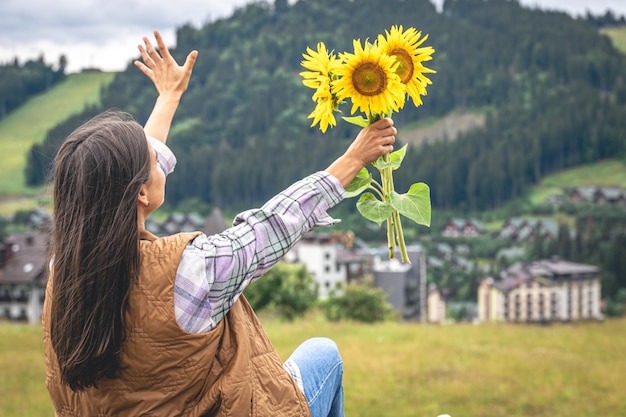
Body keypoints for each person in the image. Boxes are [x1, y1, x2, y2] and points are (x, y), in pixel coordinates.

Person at [42, 31, 397, 417]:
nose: (161, 159)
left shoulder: (64, 273)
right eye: (151, 158)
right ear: (141, 193)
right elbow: (272, 226)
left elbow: (120, 179)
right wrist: (353, 160)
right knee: (323, 354)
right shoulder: (190, 271)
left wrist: (169, 97)